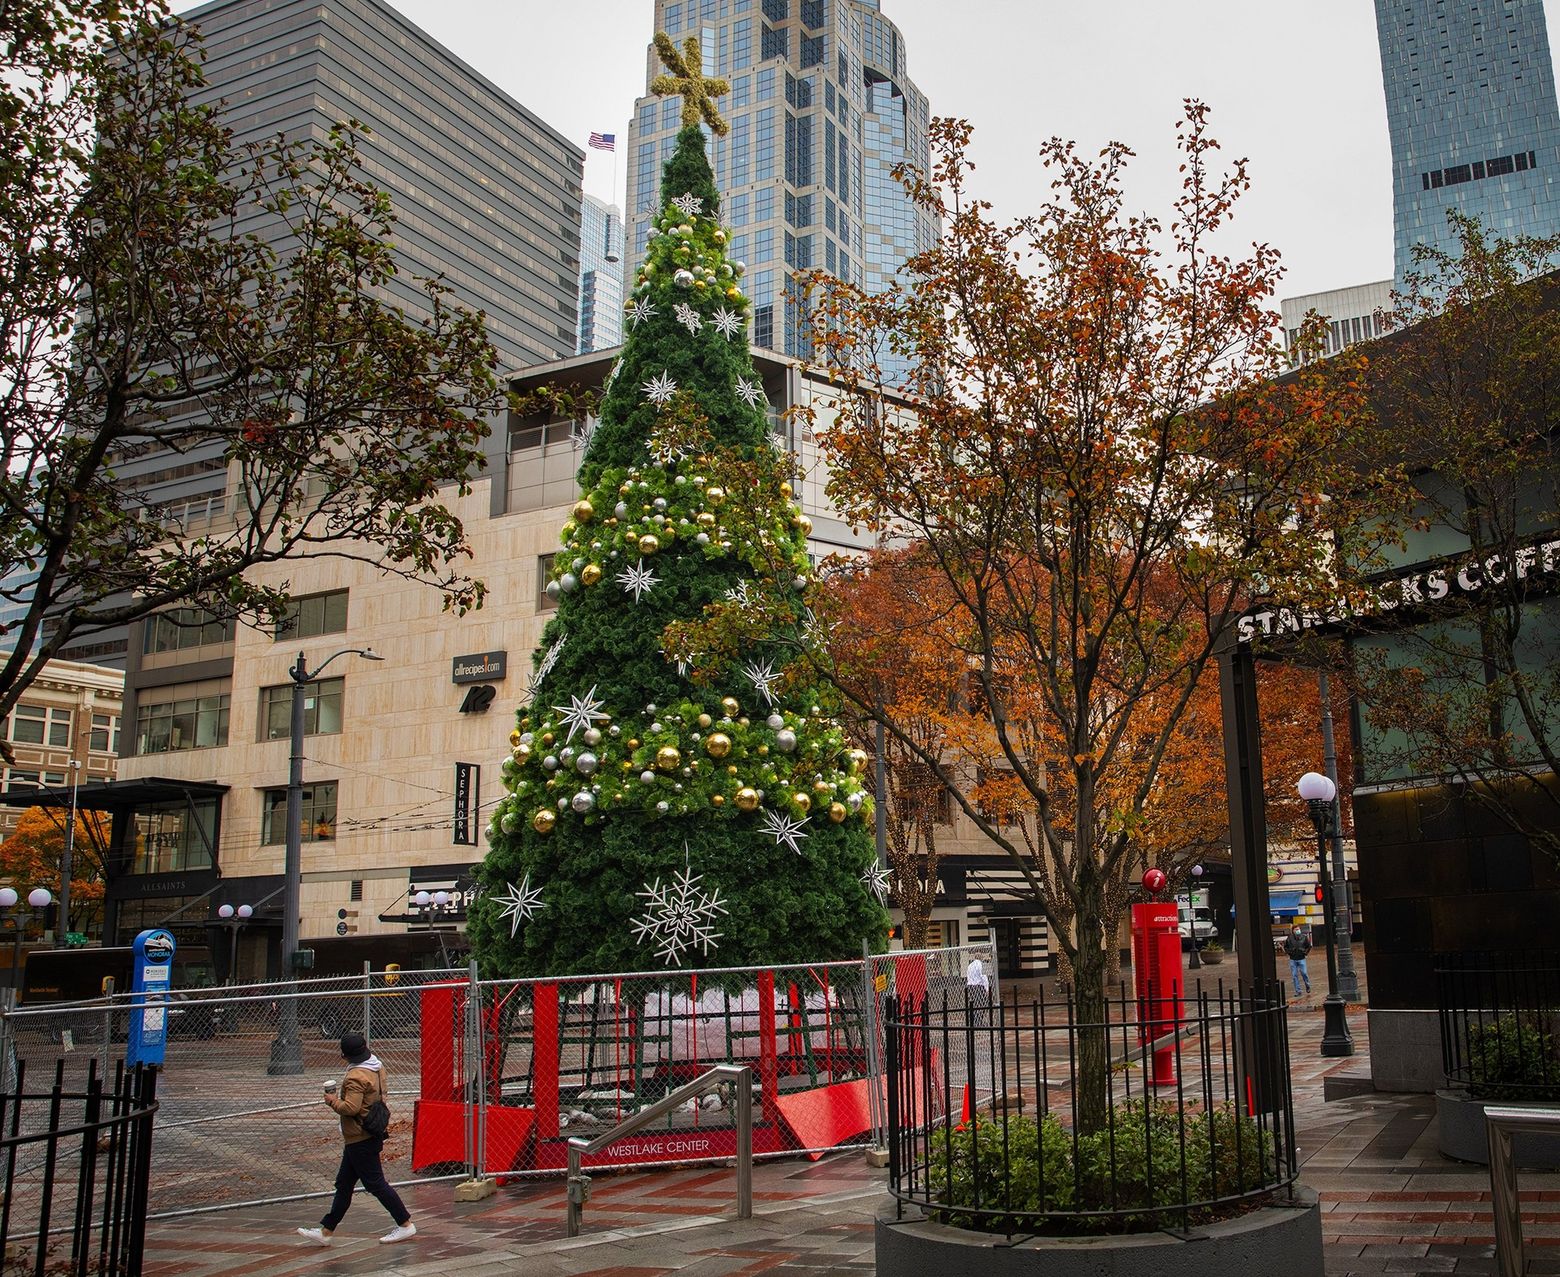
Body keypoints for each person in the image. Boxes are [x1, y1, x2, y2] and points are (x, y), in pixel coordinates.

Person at [296, 1033, 416, 1246]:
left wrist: (332, 1101)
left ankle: (405, 1224)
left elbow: (351, 1107)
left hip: (360, 1137)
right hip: (369, 1132)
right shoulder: (377, 1066)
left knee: (375, 1183)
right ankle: (326, 1231)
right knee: (344, 1184)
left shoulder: (356, 1077)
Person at [1283, 925, 1312, 999]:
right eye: (1296, 929)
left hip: (1301, 958)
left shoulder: (1304, 937)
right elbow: (1285, 947)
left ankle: (1307, 985)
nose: (1297, 930)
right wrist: (1290, 952)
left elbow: (1308, 946)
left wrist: (1305, 952)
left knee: (1304, 973)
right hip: (1293, 959)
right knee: (1294, 975)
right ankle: (1298, 991)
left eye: (1298, 929)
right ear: (1293, 930)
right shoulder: (1290, 938)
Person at [965, 955, 991, 1023]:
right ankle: (978, 1020)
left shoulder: (970, 965)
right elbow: (984, 978)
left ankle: (972, 1019)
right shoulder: (982, 965)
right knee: (982, 1003)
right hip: (979, 986)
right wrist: (987, 989)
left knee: (972, 1003)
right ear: (981, 958)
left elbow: (968, 976)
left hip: (971, 986)